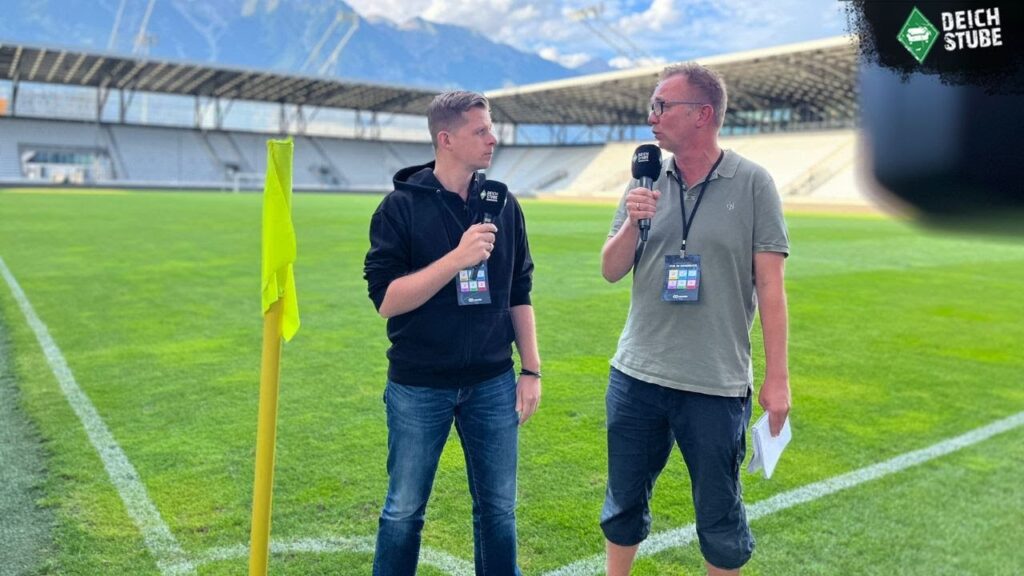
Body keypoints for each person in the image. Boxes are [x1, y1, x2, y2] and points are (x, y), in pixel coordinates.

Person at [599, 63, 791, 575]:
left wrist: (778, 378)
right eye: (652, 106)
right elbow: (611, 270)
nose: (651, 117)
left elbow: (771, 286)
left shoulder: (752, 184)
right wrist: (633, 223)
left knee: (720, 517)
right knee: (622, 505)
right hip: (636, 375)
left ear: (703, 115)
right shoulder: (644, 182)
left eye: (663, 106)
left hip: (715, 383)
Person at [363, 90, 541, 576]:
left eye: (491, 128)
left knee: (499, 511)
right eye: (480, 130)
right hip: (419, 385)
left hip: (493, 382)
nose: (493, 138)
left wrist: (531, 369)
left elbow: (519, 291)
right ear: (446, 139)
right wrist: (456, 259)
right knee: (404, 510)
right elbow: (387, 300)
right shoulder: (398, 209)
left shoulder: (504, 204)